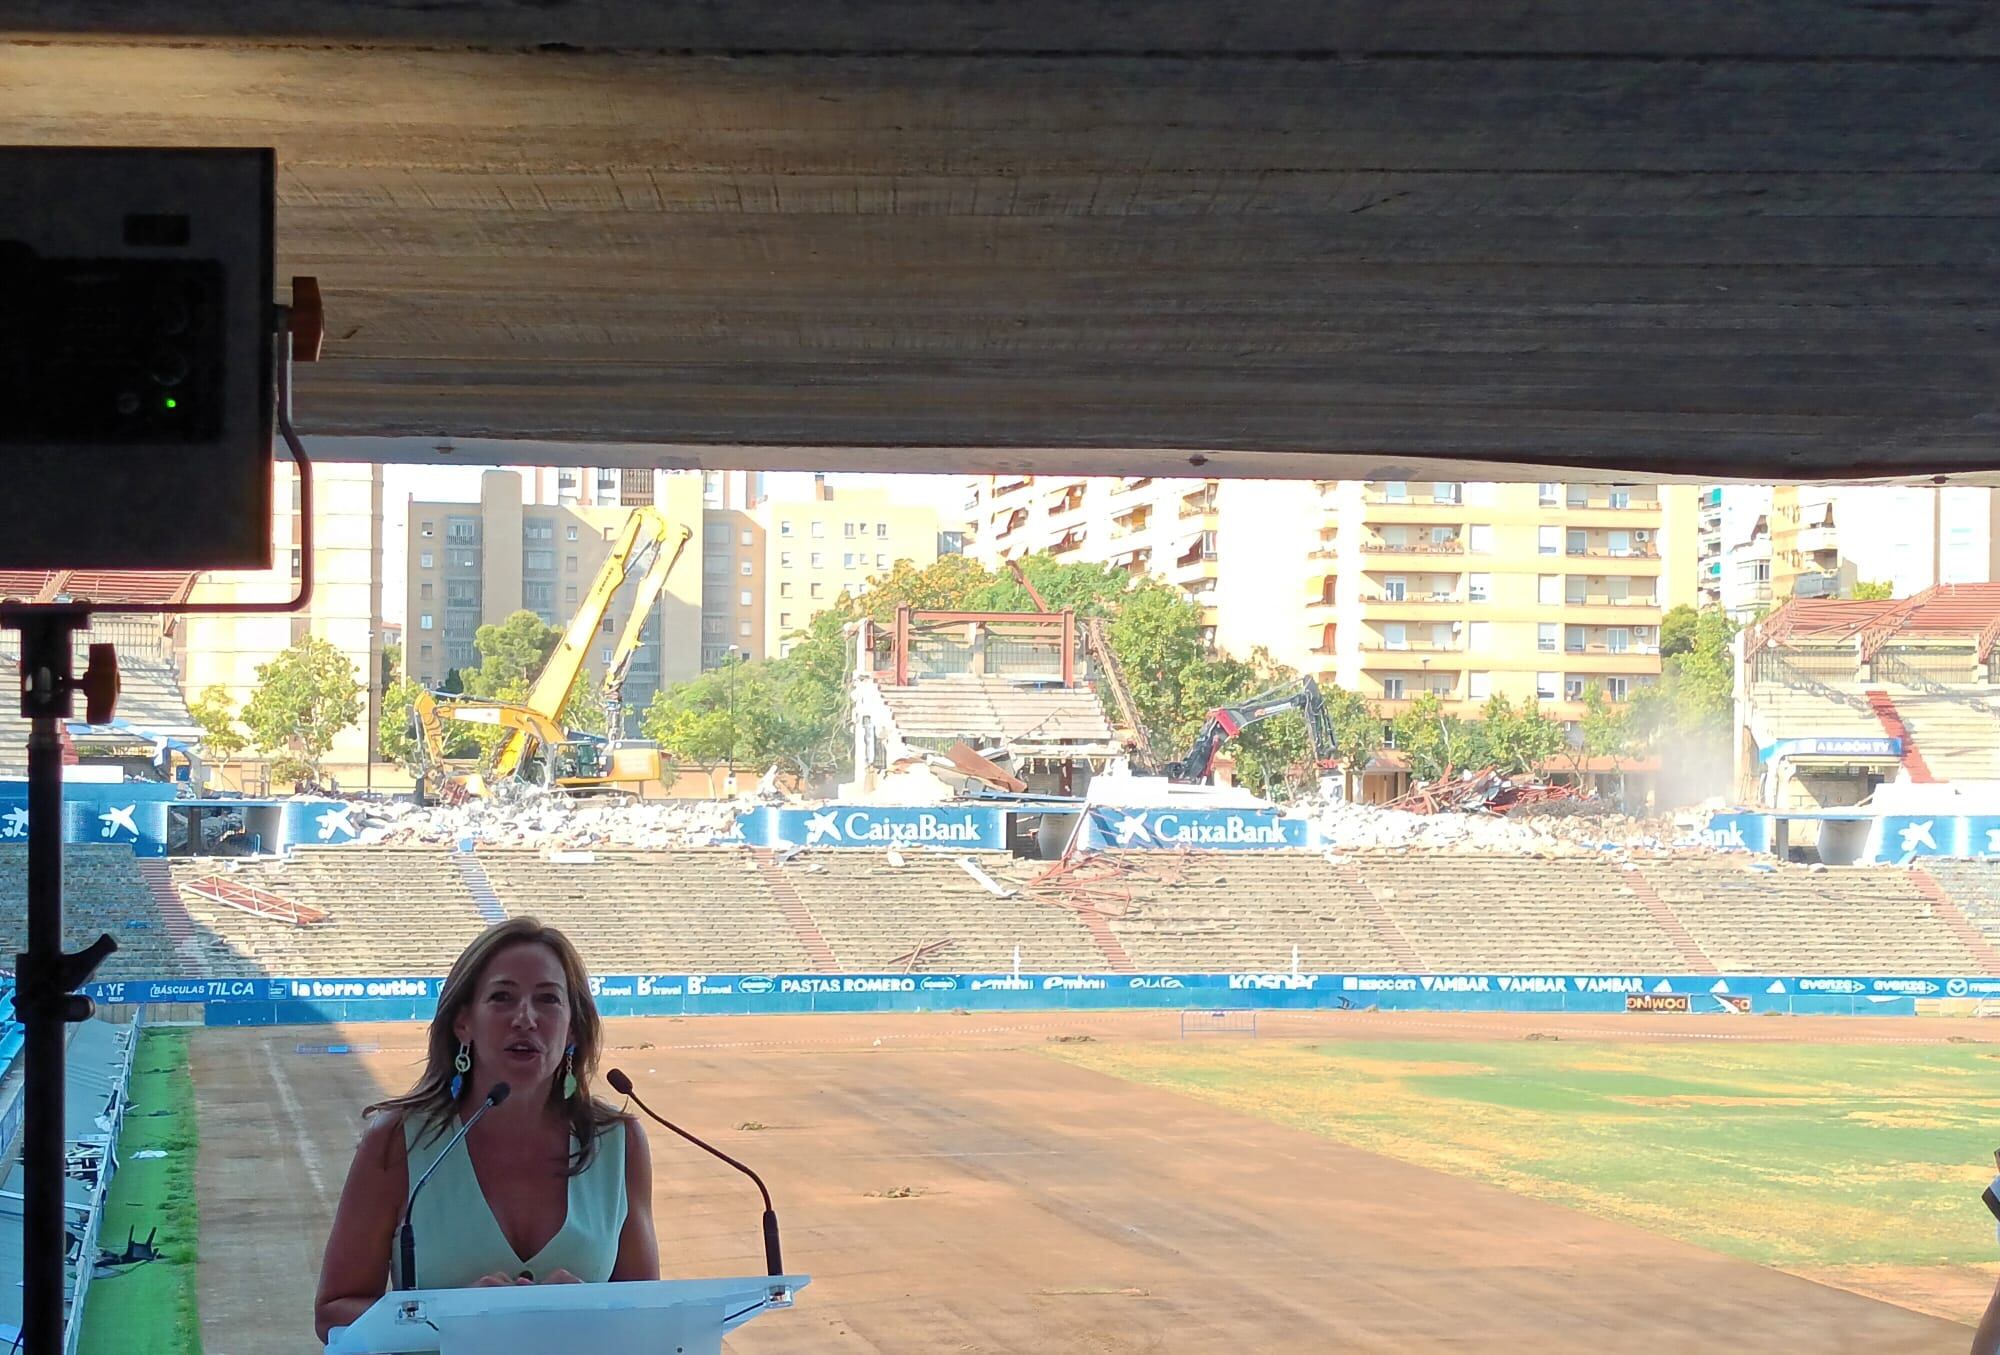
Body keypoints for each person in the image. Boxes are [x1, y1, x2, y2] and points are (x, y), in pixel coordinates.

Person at [314, 917, 658, 1341]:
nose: (525, 1019)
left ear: (572, 1028)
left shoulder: (619, 1144)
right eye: (502, 998)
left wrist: (587, 1312)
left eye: (548, 1000)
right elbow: (334, 1312)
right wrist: (451, 1319)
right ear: (464, 1023)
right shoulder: (397, 1141)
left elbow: (648, 1311)